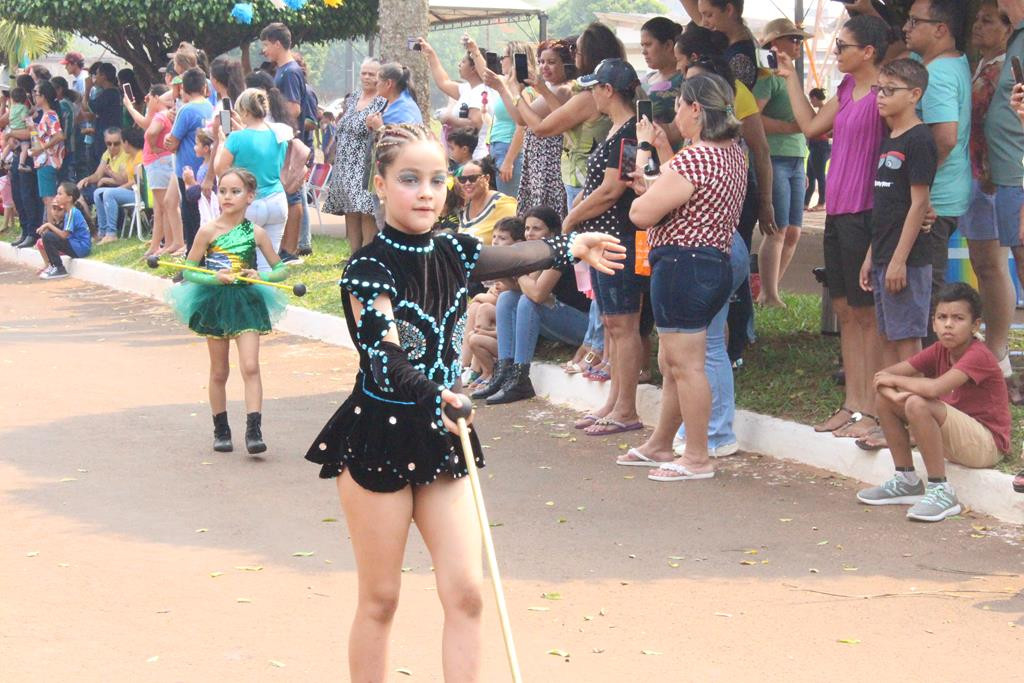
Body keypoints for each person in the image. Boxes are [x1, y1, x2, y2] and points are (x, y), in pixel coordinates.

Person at [303, 122, 622, 683]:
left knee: (468, 593)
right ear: (379, 185)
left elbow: (516, 258)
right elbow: (385, 358)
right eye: (409, 179)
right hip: (380, 433)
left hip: (442, 432)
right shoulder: (367, 268)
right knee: (381, 599)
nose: (426, 192)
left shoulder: (452, 249)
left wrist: (571, 244)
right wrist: (440, 394)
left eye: (436, 179)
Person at [624, 73, 748, 481]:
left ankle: (696, 455)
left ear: (696, 109)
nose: (674, 113)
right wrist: (658, 156)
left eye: (679, 105)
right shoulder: (732, 153)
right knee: (672, 359)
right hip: (713, 260)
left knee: (687, 364)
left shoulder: (697, 157)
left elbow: (642, 213)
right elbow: (674, 192)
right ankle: (662, 441)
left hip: (683, 263)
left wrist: (647, 152)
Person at [778, 15, 890, 440]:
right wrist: (790, 77)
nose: (837, 52)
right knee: (845, 310)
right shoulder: (845, 89)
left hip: (867, 210)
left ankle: (877, 410)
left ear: (869, 52)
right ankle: (854, 406)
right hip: (838, 212)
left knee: (867, 315)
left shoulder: (885, 93)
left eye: (843, 46)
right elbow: (810, 126)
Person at [856, 283, 1010, 521]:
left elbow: (934, 388)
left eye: (958, 318)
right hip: (955, 439)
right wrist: (894, 393)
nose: (948, 325)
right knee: (886, 400)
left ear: (975, 325)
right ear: (933, 322)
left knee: (917, 403)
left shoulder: (977, 354)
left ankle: (941, 490)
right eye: (942, 317)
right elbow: (881, 378)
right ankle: (906, 480)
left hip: (986, 445)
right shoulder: (939, 349)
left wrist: (896, 384)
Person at [167, 168, 290, 454]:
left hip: (246, 302)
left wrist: (263, 277)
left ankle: (253, 429)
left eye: (235, 192)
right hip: (215, 302)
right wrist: (214, 277)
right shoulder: (207, 231)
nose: (227, 197)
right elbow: (189, 271)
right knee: (220, 370)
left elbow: (281, 269)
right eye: (223, 191)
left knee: (250, 366)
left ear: (250, 197)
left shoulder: (256, 233)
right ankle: (221, 429)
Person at [855, 59, 938, 452]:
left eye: (890, 90)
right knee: (889, 339)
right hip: (886, 253)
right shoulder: (890, 136)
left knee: (909, 346)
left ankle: (918, 422)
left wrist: (901, 259)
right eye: (879, 89)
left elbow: (919, 204)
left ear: (915, 94)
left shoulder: (919, 140)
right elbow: (887, 205)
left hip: (908, 259)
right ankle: (892, 421)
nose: (881, 97)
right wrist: (874, 255)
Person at [563, 58, 647, 438]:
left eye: (594, 87)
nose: (590, 94)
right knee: (613, 324)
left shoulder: (629, 134)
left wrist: (572, 217)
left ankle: (625, 407)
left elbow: (614, 188)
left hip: (621, 239)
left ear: (608, 90)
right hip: (606, 238)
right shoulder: (617, 130)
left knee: (624, 324)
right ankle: (615, 401)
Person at [903, 0, 972, 343]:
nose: (906, 28)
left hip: (933, 200)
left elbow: (943, 139)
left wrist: (920, 190)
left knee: (927, 289)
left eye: (915, 22)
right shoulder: (944, 62)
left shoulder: (939, 74)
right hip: (944, 193)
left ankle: (933, 366)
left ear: (941, 29)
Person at [489, 206, 592, 404]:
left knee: (529, 302)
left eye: (536, 229)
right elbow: (520, 289)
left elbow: (536, 294)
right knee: (507, 298)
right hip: (561, 319)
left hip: (584, 324)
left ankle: (520, 376)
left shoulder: (560, 254)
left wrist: (517, 271)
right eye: (527, 229)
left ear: (552, 233)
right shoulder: (537, 254)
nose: (529, 234)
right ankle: (504, 371)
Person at [754, 17, 811, 308]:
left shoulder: (791, 75)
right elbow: (752, 120)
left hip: (796, 157)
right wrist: (789, 127)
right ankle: (767, 293)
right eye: (794, 39)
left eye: (800, 40)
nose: (799, 45)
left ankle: (773, 289)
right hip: (773, 157)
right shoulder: (767, 77)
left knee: (793, 231)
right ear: (774, 43)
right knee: (776, 230)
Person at [486, 38, 573, 218]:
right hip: (537, 163)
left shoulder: (562, 90)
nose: (544, 67)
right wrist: (504, 89)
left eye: (551, 62)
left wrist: (510, 91)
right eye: (541, 62)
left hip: (549, 165)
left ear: (566, 64)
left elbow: (530, 123)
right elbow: (520, 118)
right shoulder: (550, 88)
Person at [214, 88, 288, 272]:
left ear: (245, 112)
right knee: (267, 265)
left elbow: (220, 169)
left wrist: (222, 142)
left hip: (248, 204)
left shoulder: (236, 138)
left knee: (236, 264)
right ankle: (266, 298)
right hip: (276, 200)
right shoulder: (279, 134)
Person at [323, 57, 385, 254]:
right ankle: (353, 252)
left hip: (364, 161)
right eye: (364, 73)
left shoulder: (381, 101)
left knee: (366, 209)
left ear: (380, 77)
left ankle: (366, 252)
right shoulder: (354, 97)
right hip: (344, 161)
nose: (366, 77)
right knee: (350, 208)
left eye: (371, 74)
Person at [467, 39, 530, 195]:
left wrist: (509, 161)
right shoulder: (505, 83)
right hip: (498, 147)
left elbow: (522, 126)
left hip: (509, 149)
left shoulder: (522, 89)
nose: (501, 60)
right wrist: (474, 51)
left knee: (510, 199)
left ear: (515, 59)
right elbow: (486, 74)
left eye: (505, 56)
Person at [165, 67, 214, 254]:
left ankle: (192, 259)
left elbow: (173, 143)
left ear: (184, 89)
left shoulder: (185, 111)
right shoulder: (211, 107)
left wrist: (167, 140)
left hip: (187, 172)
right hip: (207, 169)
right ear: (204, 87)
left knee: (191, 217)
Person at [418, 37, 491, 160]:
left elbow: (474, 125)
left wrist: (450, 119)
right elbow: (444, 82)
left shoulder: (481, 92)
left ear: (474, 68)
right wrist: (431, 54)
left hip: (474, 158)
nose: (459, 64)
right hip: (461, 156)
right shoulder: (467, 88)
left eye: (463, 62)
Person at [132, 84, 181, 257]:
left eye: (149, 97)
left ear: (155, 97)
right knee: (163, 207)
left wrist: (153, 146)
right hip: (162, 161)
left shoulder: (161, 115)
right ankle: (161, 244)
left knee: (167, 206)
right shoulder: (168, 115)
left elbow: (150, 131)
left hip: (157, 162)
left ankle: (173, 243)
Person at [683, 0, 759, 88]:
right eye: (702, 16)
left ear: (728, 9)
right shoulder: (725, 39)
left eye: (709, 15)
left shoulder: (740, 58)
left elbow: (728, 98)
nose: (704, 22)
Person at [92, 127, 142, 245]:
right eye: (109, 143)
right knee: (97, 193)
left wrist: (119, 189)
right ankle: (102, 231)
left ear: (126, 143)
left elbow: (137, 181)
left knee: (109, 193)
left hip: (139, 193)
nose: (115, 147)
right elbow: (124, 179)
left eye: (120, 143)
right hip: (131, 191)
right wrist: (110, 174)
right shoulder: (130, 158)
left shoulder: (140, 156)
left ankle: (111, 233)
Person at [34, 181, 91, 280]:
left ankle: (59, 268)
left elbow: (64, 235)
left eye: (60, 194)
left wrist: (48, 225)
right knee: (47, 237)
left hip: (80, 248)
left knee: (48, 236)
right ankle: (53, 266)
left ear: (69, 198)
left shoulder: (72, 212)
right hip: (76, 245)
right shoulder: (70, 212)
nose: (57, 196)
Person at [456, 156, 517, 245]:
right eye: (462, 179)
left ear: (487, 178)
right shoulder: (465, 209)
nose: (467, 183)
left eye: (473, 178)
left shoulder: (503, 204)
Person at [30, 81, 66, 220]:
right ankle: (50, 227)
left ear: (43, 96)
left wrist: (41, 148)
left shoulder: (50, 114)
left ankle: (51, 227)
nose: (34, 97)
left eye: (36, 94)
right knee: (47, 197)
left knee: (49, 197)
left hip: (49, 160)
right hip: (44, 160)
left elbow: (59, 135)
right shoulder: (45, 115)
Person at [76, 126, 131, 208]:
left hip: (122, 190)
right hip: (107, 188)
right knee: (78, 195)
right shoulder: (107, 153)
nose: (112, 147)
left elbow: (124, 181)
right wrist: (87, 179)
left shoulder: (126, 154)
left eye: (116, 144)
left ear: (122, 141)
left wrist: (107, 178)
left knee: (102, 194)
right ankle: (89, 220)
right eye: (109, 144)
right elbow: (98, 175)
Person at [804, 88, 829, 211]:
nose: (811, 102)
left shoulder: (824, 111)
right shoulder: (820, 111)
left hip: (820, 145)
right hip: (815, 145)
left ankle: (821, 202)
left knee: (819, 175)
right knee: (810, 174)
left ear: (814, 98)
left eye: (811, 99)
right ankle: (806, 202)